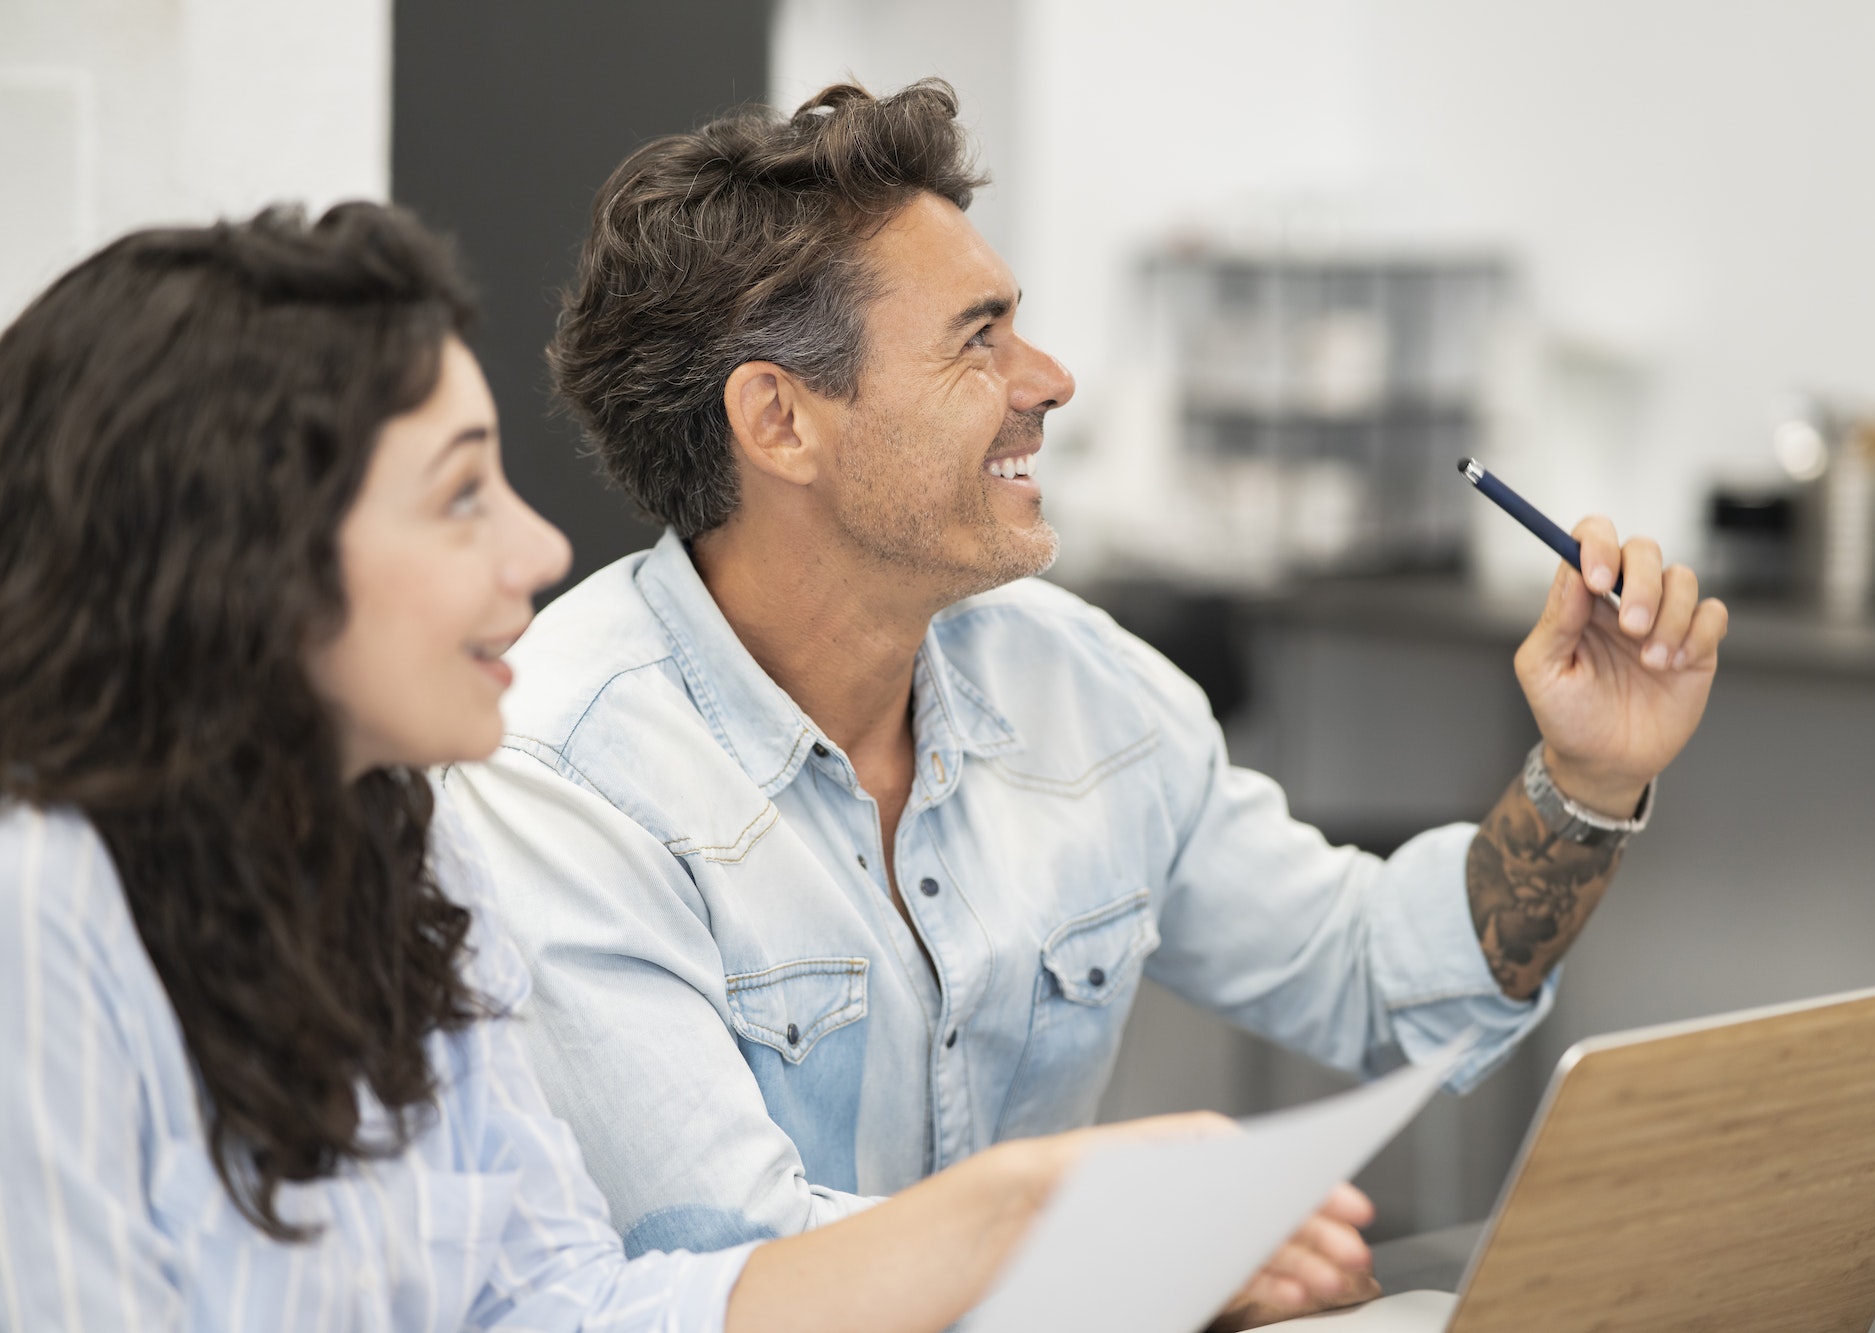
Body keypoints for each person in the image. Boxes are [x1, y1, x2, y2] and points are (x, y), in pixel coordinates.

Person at [445, 79, 1729, 1322]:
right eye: (977, 338)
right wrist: (1142, 1257)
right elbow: (732, 1271)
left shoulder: (1072, 679)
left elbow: (1378, 979)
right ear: (780, 420)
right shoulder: (562, 778)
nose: (1050, 378)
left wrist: (1585, 780)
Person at [0, 202, 1256, 1333]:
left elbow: (560, 1303)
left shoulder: (402, 851)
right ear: (239, 562)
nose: (539, 544)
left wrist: (1018, 1214)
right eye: (456, 499)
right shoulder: (40, 912)